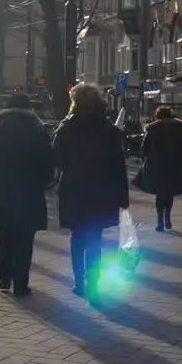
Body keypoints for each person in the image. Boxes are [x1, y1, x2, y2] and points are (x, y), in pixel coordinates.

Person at [53, 83, 129, 303]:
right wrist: (122, 197)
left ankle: (79, 283)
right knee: (96, 238)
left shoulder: (66, 128)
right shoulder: (109, 131)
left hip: (74, 189)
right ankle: (93, 283)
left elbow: (56, 159)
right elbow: (118, 165)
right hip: (101, 190)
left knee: (77, 237)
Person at [0, 92, 54, 297]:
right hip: (29, 192)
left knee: (5, 236)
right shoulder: (37, 131)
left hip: (3, 191)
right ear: (29, 109)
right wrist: (42, 182)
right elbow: (48, 164)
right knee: (25, 240)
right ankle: (21, 284)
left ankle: (4, 279)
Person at [140, 105, 182, 232]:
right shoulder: (180, 128)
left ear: (157, 116)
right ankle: (168, 217)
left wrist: (146, 159)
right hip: (174, 164)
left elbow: (144, 148)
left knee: (160, 193)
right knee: (169, 192)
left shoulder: (152, 129)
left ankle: (160, 221)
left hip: (157, 165)